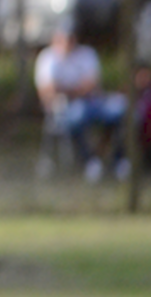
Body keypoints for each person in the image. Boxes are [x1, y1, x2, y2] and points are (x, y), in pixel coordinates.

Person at [34, 23, 128, 182]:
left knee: (121, 109)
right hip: (64, 108)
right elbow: (47, 91)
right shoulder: (47, 58)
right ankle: (89, 160)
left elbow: (93, 85)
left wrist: (65, 89)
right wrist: (78, 90)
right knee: (77, 116)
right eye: (63, 39)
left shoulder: (87, 54)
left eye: (71, 38)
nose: (67, 43)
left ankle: (119, 160)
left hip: (94, 102)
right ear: (55, 39)